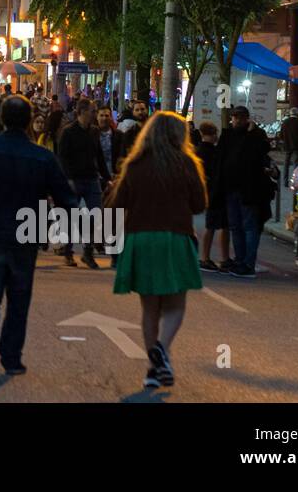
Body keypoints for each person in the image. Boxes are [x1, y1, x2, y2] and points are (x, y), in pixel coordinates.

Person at [0, 95, 76, 380]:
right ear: (28, 121)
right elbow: (66, 199)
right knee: (19, 297)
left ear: (0, 119)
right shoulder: (43, 156)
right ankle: (11, 357)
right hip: (27, 235)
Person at [105, 111, 207, 389]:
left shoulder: (135, 165)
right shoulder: (186, 163)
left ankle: (154, 367)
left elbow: (116, 206)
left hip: (141, 238)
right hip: (175, 238)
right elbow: (199, 205)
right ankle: (162, 349)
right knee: (175, 305)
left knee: (149, 308)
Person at [216, 105, 275, 279]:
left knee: (249, 226)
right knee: (235, 226)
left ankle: (248, 263)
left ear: (247, 119)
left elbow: (260, 152)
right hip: (231, 188)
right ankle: (240, 259)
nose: (237, 121)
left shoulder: (256, 137)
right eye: (235, 118)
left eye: (241, 118)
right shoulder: (229, 136)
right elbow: (222, 158)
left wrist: (252, 133)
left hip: (249, 190)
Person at [56, 98, 107, 269]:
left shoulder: (93, 132)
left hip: (92, 179)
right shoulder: (68, 132)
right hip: (74, 180)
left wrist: (107, 178)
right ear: (82, 111)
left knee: (96, 215)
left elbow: (98, 156)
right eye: (92, 111)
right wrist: (67, 179)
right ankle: (68, 252)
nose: (95, 114)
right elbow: (62, 158)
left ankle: (88, 252)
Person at [196, 121, 231, 272]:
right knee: (216, 225)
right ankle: (206, 258)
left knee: (217, 225)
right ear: (211, 134)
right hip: (215, 192)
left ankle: (212, 257)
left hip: (210, 192)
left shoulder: (199, 151)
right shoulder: (210, 152)